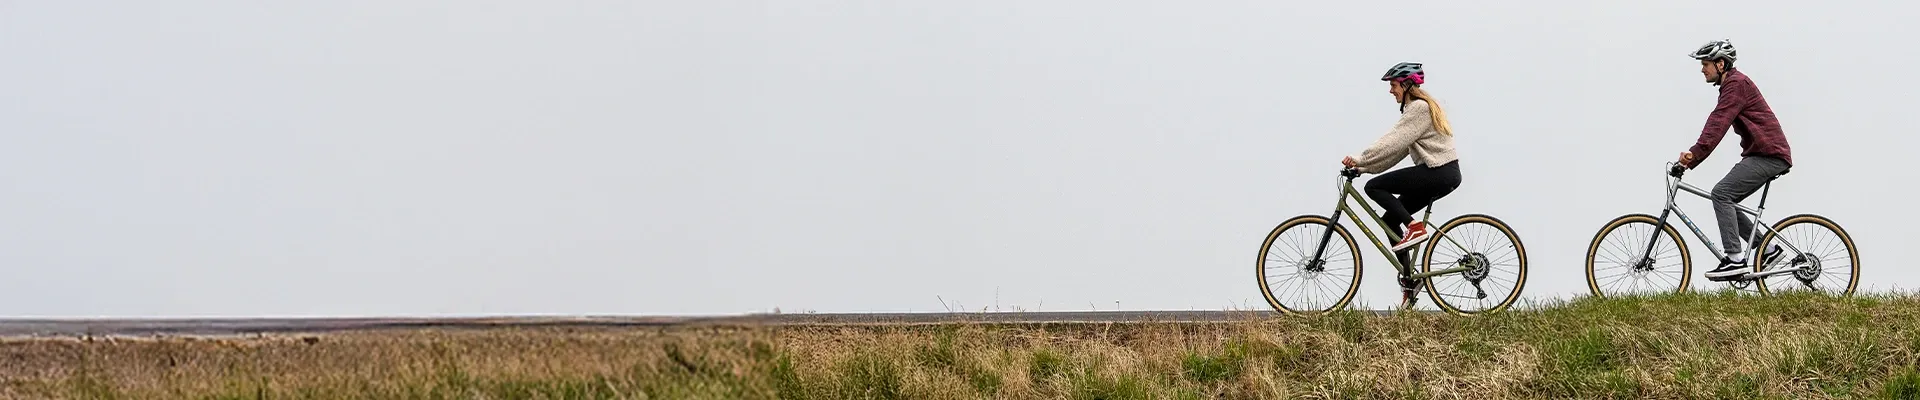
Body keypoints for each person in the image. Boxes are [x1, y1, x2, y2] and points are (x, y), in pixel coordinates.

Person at [1341, 62, 1462, 303]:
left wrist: (1360, 158)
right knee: (1389, 220)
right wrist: (1364, 167)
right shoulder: (1415, 111)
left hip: (1439, 172)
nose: (1391, 91)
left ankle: (1414, 228)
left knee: (1373, 188)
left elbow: (1393, 141)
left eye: (1394, 85)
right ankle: (1410, 282)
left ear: (1407, 85)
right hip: (1439, 173)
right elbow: (1397, 153)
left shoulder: (1418, 108)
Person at [1677, 39, 1793, 281]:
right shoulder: (1732, 85)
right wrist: (1695, 155)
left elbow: (1718, 122)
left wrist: (1694, 153)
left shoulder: (1736, 85)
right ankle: (1768, 250)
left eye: (1705, 64)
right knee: (1726, 199)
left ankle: (1735, 259)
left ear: (1721, 64)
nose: (1702, 69)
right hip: (1763, 154)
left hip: (1769, 155)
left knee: (1721, 194)